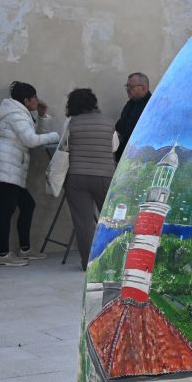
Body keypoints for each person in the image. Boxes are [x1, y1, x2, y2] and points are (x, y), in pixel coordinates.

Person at [0, 81, 59, 266]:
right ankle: (3, 255)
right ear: (26, 100)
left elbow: (34, 136)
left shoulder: (19, 113)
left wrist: (42, 116)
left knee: (27, 205)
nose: (37, 100)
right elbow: (32, 140)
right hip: (5, 167)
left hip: (9, 168)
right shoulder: (17, 115)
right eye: (35, 98)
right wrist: (57, 136)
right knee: (6, 210)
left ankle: (25, 250)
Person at [60, 88, 118, 269]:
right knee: (111, 220)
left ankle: (89, 264)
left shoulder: (70, 123)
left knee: (83, 223)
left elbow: (64, 147)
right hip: (105, 176)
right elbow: (114, 147)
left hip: (77, 177)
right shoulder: (108, 122)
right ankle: (115, 261)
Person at [115, 72, 152, 161]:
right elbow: (120, 126)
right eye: (127, 86)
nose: (127, 89)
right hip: (124, 156)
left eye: (131, 87)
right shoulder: (130, 104)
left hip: (140, 158)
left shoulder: (152, 106)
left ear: (143, 88)